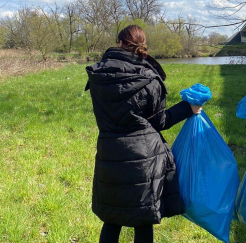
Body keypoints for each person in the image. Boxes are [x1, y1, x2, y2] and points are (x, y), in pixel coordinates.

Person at [85, 25, 201, 243]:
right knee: (143, 219)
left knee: (111, 218)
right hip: (144, 158)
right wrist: (187, 108)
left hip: (109, 152)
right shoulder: (150, 77)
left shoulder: (97, 75)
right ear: (141, 46)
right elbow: (160, 121)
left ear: (119, 43)